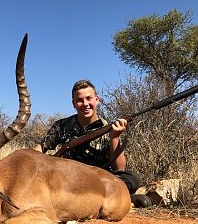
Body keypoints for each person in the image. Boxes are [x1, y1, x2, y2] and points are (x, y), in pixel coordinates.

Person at [34, 80, 152, 208]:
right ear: (73, 104)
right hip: (67, 179)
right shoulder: (61, 126)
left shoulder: (108, 127)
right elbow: (40, 147)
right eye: (79, 100)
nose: (85, 104)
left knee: (132, 178)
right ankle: (116, 199)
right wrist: (29, 162)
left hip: (97, 180)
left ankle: (99, 199)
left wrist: (115, 138)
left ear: (97, 100)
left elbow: (120, 168)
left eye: (89, 98)